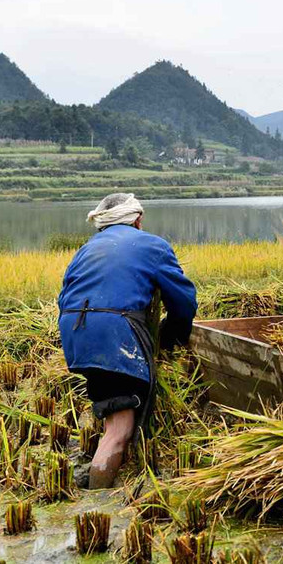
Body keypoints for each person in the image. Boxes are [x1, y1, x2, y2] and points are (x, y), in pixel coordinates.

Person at [57, 193, 197, 489]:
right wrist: (172, 336)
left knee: (112, 402)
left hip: (75, 332)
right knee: (120, 430)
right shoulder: (152, 245)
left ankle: (97, 471)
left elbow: (65, 296)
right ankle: (98, 503)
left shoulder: (86, 249)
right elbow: (184, 302)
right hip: (114, 332)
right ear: (137, 220)